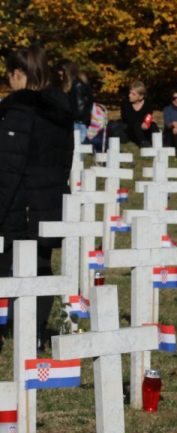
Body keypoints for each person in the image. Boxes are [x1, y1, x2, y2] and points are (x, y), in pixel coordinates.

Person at [0, 45, 74, 346]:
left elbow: (8, 165)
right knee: (41, 265)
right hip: (50, 200)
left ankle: (21, 330)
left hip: (21, 202)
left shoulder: (18, 111)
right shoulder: (60, 112)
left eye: (8, 75)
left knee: (8, 264)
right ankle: (35, 332)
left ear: (19, 73)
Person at [107, 81, 158, 148]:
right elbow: (127, 119)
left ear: (141, 96)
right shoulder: (125, 103)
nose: (129, 95)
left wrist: (146, 122)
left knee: (153, 124)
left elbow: (148, 116)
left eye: (133, 94)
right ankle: (143, 143)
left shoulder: (148, 104)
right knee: (136, 124)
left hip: (144, 127)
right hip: (130, 129)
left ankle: (158, 142)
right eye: (130, 93)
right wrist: (141, 123)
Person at [58, 60, 93, 143]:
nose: (60, 78)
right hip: (80, 123)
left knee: (76, 151)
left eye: (62, 75)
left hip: (77, 124)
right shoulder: (80, 83)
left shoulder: (76, 85)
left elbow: (79, 109)